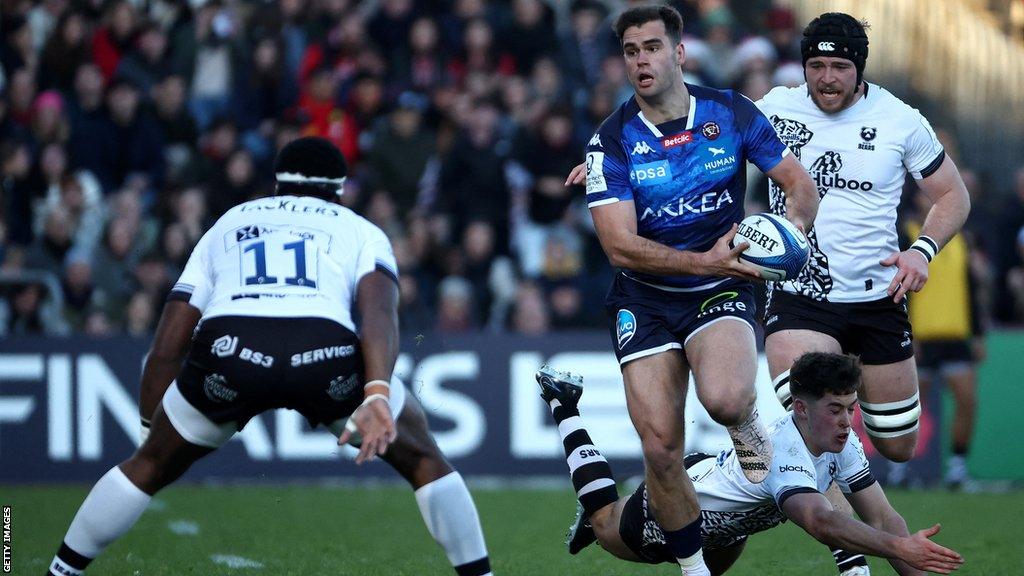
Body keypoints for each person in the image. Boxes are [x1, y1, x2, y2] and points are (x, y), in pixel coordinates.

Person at [46, 137, 493, 576]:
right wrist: (375, 391)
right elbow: (378, 314)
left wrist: (151, 431)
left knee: (146, 467)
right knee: (424, 459)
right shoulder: (359, 227)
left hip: (231, 347)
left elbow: (168, 341)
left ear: (277, 185)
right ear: (338, 190)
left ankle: (62, 570)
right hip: (324, 351)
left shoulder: (230, 220)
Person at [572, 6, 819, 575]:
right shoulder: (610, 141)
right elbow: (619, 246)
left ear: (679, 53)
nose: (642, 60)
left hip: (721, 286)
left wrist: (790, 237)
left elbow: (798, 184)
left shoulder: (730, 111)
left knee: (727, 398)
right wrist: (700, 258)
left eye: (652, 47)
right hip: (645, 298)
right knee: (660, 448)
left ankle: (745, 424)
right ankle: (694, 571)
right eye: (631, 51)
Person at [754, 14, 970, 575]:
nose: (826, 78)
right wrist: (613, 157)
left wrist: (921, 252)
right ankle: (855, 559)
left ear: (860, 69)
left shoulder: (900, 119)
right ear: (803, 65)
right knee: (820, 433)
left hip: (878, 301)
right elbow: (692, 129)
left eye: (840, 67)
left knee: (897, 444)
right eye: (816, 65)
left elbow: (953, 196)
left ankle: (879, 533)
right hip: (801, 295)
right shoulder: (773, 108)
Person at [535, 353, 965, 575]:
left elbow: (884, 516)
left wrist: (907, 551)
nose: (846, 421)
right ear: (799, 407)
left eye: (850, 408)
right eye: (835, 409)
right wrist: (897, 548)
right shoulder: (785, 452)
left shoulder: (842, 440)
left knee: (724, 550)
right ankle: (563, 404)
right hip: (674, 505)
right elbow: (822, 522)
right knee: (607, 521)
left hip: (727, 519)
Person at [903, 188, 984, 489]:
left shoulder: (963, 237)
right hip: (921, 337)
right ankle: (904, 469)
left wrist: (976, 332)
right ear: (918, 199)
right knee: (912, 408)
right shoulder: (906, 234)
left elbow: (970, 288)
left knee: (966, 401)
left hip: (956, 335)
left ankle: (958, 469)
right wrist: (906, 331)